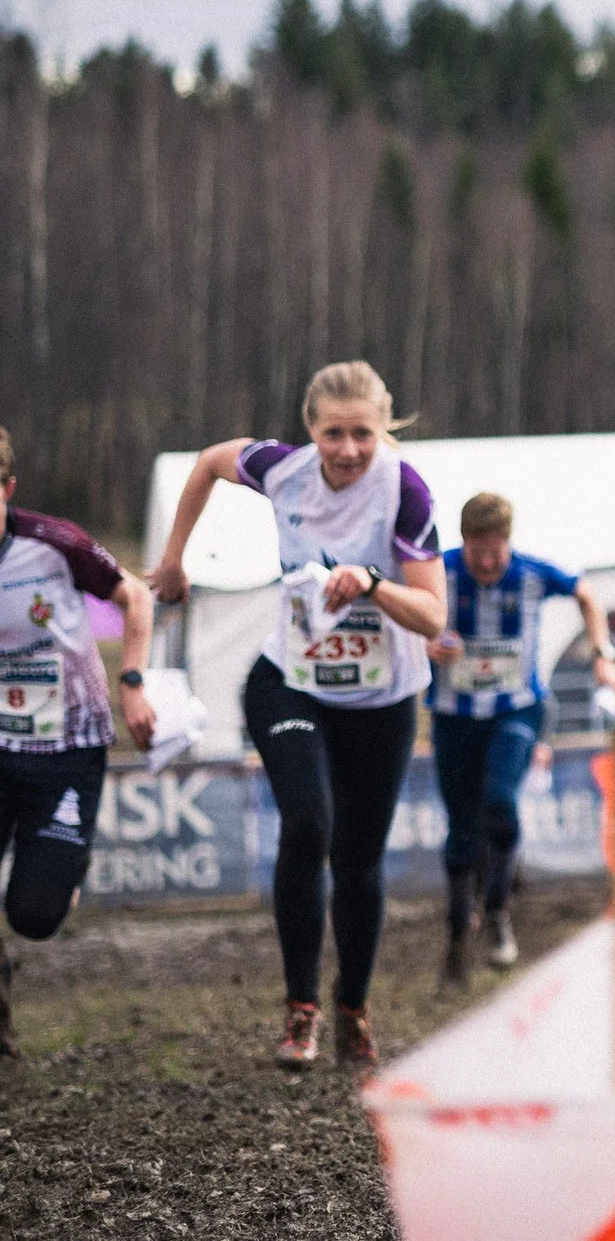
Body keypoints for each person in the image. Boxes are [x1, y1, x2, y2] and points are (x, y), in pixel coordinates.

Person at [148, 362, 447, 1069]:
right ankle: (300, 1010)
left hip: (381, 695)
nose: (347, 450)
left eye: (362, 434)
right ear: (310, 430)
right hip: (292, 680)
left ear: (384, 428)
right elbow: (210, 462)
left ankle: (353, 1007)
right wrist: (172, 559)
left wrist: (373, 584)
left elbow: (434, 614)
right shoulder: (282, 470)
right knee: (308, 820)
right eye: (333, 433)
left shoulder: (405, 490)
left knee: (359, 859)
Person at [0, 425, 156, 1058]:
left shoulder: (55, 544)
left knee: (33, 917)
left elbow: (135, 597)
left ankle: (64, 867)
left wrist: (135, 683)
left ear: (7, 489)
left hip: (68, 743)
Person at [427, 492, 615, 984]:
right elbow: (403, 610)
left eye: (496, 551)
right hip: (453, 715)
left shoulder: (534, 574)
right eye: (479, 552)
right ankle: (456, 932)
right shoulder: (441, 571)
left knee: (499, 801)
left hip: (516, 709)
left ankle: (497, 911)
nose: (488, 563)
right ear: (464, 543)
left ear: (508, 542)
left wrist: (602, 652)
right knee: (460, 830)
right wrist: (425, 642)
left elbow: (587, 593)